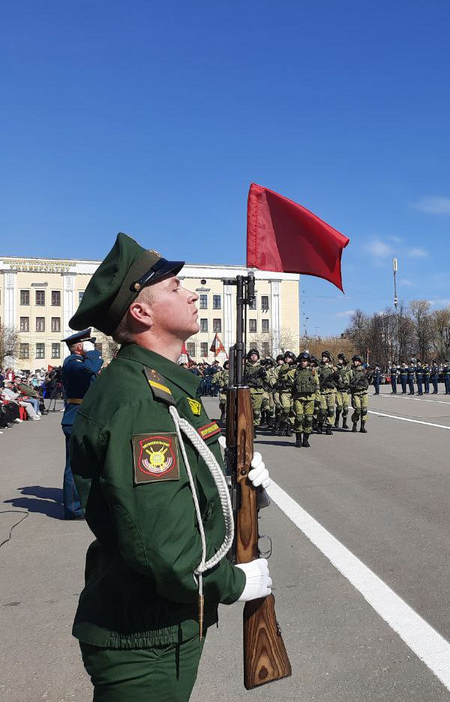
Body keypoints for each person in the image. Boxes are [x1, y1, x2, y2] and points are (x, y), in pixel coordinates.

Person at [66, 233, 274, 701]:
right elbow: (164, 548)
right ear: (142, 312)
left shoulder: (163, 387)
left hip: (159, 626)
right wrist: (233, 581)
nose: (192, 293)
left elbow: (184, 494)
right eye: (176, 288)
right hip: (143, 642)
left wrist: (244, 485)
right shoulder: (142, 400)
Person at [60, 328, 104, 521]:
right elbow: (90, 369)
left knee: (89, 463)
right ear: (79, 347)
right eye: (88, 344)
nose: (92, 347)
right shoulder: (72, 362)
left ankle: (87, 501)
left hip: (86, 416)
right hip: (75, 417)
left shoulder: (82, 362)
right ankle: (73, 509)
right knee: (74, 465)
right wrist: (92, 353)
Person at [292, 351, 318, 447]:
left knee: (309, 418)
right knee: (299, 418)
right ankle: (298, 439)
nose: (303, 362)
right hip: (298, 397)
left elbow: (317, 385)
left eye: (305, 361)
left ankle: (305, 440)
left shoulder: (313, 371)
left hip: (310, 398)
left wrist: (318, 398)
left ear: (308, 362)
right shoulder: (295, 371)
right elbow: (288, 382)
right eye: (301, 361)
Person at [348, 355, 370, 432]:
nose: (355, 362)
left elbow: (368, 382)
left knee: (364, 410)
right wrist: (350, 385)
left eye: (357, 361)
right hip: (356, 393)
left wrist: (370, 377)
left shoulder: (364, 371)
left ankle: (362, 426)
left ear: (360, 362)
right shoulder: (351, 372)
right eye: (354, 361)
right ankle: (354, 423)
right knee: (357, 410)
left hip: (364, 393)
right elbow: (345, 381)